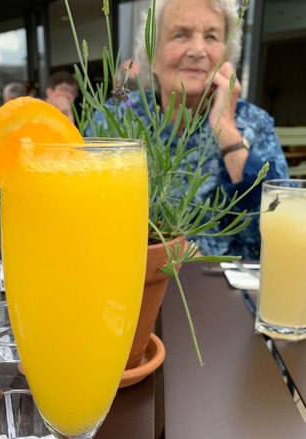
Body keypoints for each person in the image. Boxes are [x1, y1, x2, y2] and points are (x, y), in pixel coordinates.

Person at [94, 0, 289, 260]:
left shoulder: (255, 124)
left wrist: (227, 132)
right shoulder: (117, 119)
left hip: (227, 292)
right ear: (152, 56)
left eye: (211, 36)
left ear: (227, 56)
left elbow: (281, 240)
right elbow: (90, 218)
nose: (197, 50)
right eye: (181, 34)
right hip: (135, 277)